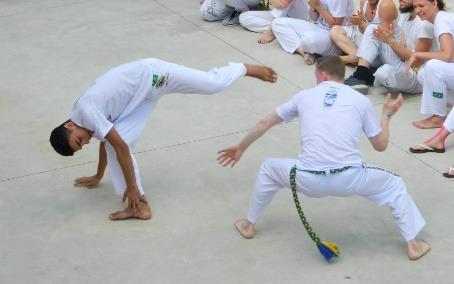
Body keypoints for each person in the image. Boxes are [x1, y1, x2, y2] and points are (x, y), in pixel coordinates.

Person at [217, 56, 430, 260]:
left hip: (307, 178)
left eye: (316, 76)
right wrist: (386, 115)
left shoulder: (303, 96)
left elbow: (265, 122)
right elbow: (380, 145)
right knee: (394, 184)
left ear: (323, 74)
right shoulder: (360, 100)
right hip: (350, 177)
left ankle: (248, 224)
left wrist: (240, 148)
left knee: (268, 168)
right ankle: (412, 244)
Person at [50, 58, 277, 220]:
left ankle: (243, 68)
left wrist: (130, 186)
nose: (85, 142)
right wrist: (98, 175)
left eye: (79, 140)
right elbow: (105, 140)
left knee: (212, 84)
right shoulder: (84, 123)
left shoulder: (86, 110)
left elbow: (117, 145)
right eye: (81, 146)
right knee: (118, 143)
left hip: (154, 76)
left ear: (69, 125)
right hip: (137, 101)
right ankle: (139, 206)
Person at [404, 0, 453, 129]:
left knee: (432, 67)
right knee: (423, 74)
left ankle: (438, 118)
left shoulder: (442, 22)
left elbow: (447, 55)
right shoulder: (441, 19)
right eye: (415, 7)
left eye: (421, 5)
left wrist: (417, 54)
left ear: (435, 3)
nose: (418, 10)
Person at [372, 0, 434, 94]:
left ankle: (372, 74)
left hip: (418, 76)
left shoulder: (425, 24)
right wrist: (389, 39)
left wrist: (390, 41)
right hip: (405, 63)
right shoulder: (405, 16)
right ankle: (364, 69)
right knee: (372, 30)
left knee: (385, 72)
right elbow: (402, 50)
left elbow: (417, 61)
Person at [271, 0, 354, 65]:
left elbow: (336, 24)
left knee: (308, 39)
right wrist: (313, 8)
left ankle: (310, 49)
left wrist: (318, 5)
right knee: (277, 23)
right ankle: (304, 52)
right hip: (319, 28)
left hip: (336, 37)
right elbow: (314, 18)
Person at [343, 0, 400, 93]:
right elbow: (364, 32)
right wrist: (359, 24)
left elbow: (384, 37)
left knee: (372, 28)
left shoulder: (386, 4)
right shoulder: (364, 2)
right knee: (336, 31)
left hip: (393, 51)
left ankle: (360, 75)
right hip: (377, 47)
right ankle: (365, 73)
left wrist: (362, 24)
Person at [330, 0, 381, 65]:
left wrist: (361, 24)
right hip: (362, 35)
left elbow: (380, 36)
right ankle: (356, 57)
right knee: (335, 30)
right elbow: (362, 28)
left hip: (374, 43)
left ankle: (346, 59)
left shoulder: (385, 5)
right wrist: (359, 23)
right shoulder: (363, 1)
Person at [239, 0, 309, 44]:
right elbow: (276, 3)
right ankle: (281, 28)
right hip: (282, 14)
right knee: (244, 17)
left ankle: (272, 30)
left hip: (304, 17)